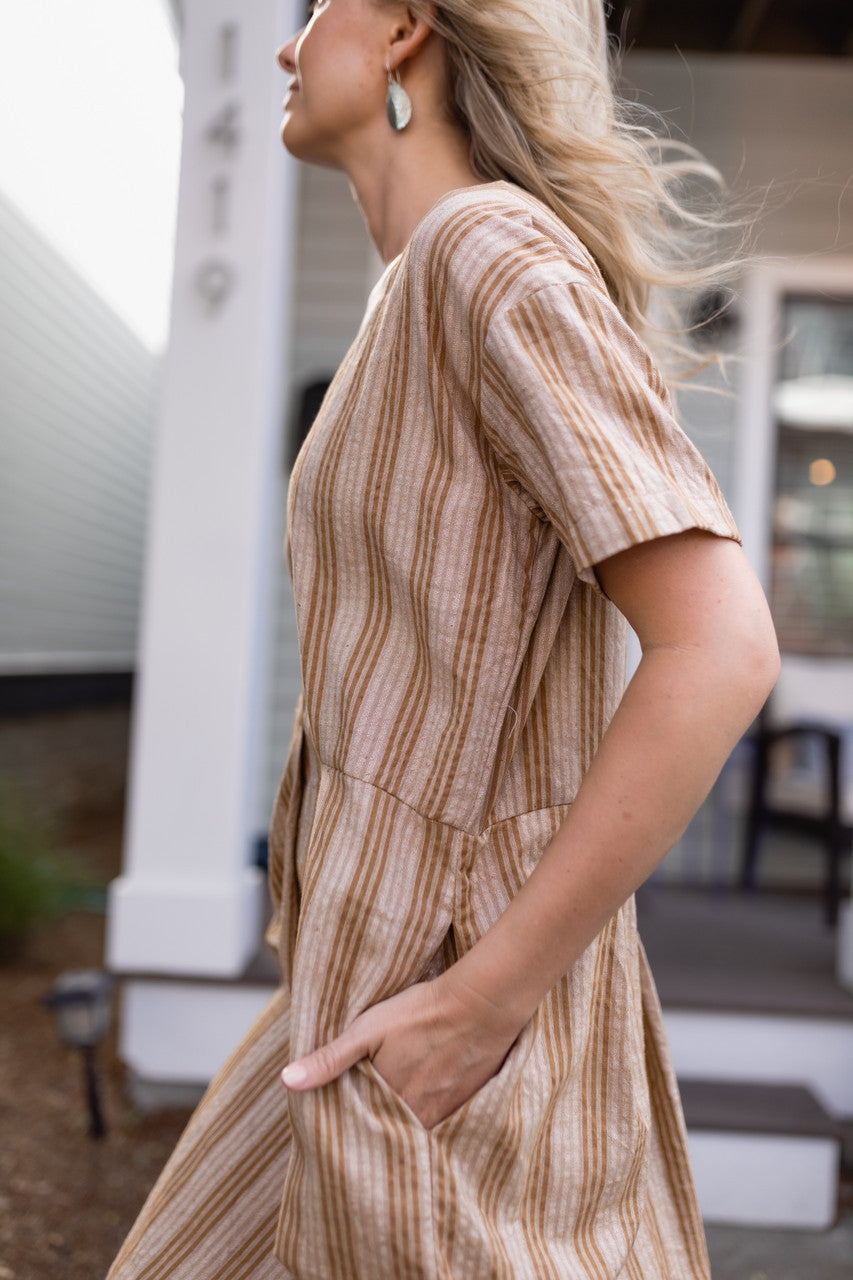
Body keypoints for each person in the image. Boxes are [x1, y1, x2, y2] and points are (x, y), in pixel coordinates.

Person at [108, 2, 780, 1277]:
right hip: (361, 980)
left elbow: (722, 645)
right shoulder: (418, 285)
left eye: (315, 11)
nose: (284, 45)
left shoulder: (489, 256)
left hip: (447, 1002)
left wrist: (485, 999)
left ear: (407, 27)